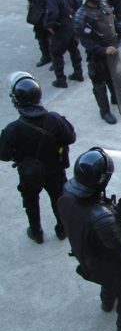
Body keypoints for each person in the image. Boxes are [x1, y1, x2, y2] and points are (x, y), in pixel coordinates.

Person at [58, 148, 121, 331]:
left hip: (87, 256)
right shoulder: (101, 217)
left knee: (108, 280)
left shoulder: (67, 195)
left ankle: (107, 302)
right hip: (105, 263)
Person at [0, 72, 76, 244]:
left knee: (31, 201)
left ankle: (36, 232)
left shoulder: (13, 129)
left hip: (29, 173)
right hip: (55, 170)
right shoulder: (54, 119)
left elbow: (3, 155)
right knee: (58, 198)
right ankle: (62, 230)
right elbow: (71, 138)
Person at [74, 0, 121, 124]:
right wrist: (103, 50)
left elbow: (114, 21)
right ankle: (105, 111)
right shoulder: (82, 15)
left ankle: (116, 98)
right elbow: (85, 41)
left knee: (114, 77)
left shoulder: (103, 4)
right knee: (99, 85)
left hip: (113, 48)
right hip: (98, 56)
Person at [41, 0, 84, 89]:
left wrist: (49, 25)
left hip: (60, 27)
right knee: (74, 50)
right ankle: (78, 73)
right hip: (71, 23)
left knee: (56, 53)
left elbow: (52, 13)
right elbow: (77, 2)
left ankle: (61, 80)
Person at [27, 0, 51, 67]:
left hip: (47, 13)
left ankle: (55, 59)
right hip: (37, 14)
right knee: (40, 37)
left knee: (52, 38)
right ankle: (46, 56)